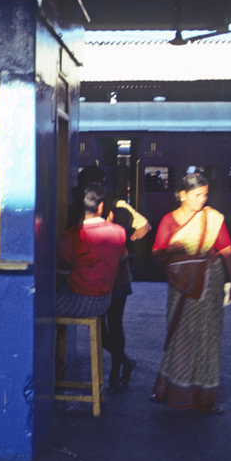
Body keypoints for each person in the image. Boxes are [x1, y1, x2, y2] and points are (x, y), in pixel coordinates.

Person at [150, 173, 231, 414]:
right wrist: (171, 250)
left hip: (210, 286)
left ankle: (204, 396)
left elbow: (227, 250)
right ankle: (172, 389)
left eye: (205, 194)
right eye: (197, 195)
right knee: (180, 335)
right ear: (182, 195)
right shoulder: (169, 221)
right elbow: (157, 253)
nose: (203, 199)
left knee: (208, 338)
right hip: (182, 288)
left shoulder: (212, 218)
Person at [72, 166, 151, 393]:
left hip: (95, 278)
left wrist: (122, 238)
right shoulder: (116, 204)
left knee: (100, 325)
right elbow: (144, 226)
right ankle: (120, 367)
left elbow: (143, 226)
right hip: (118, 278)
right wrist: (124, 238)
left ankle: (120, 366)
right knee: (115, 325)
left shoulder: (81, 205)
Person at [57, 183, 127, 318]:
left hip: (78, 303)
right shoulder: (119, 232)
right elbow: (122, 261)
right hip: (105, 301)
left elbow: (61, 274)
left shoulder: (70, 237)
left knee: (38, 303)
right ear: (100, 206)